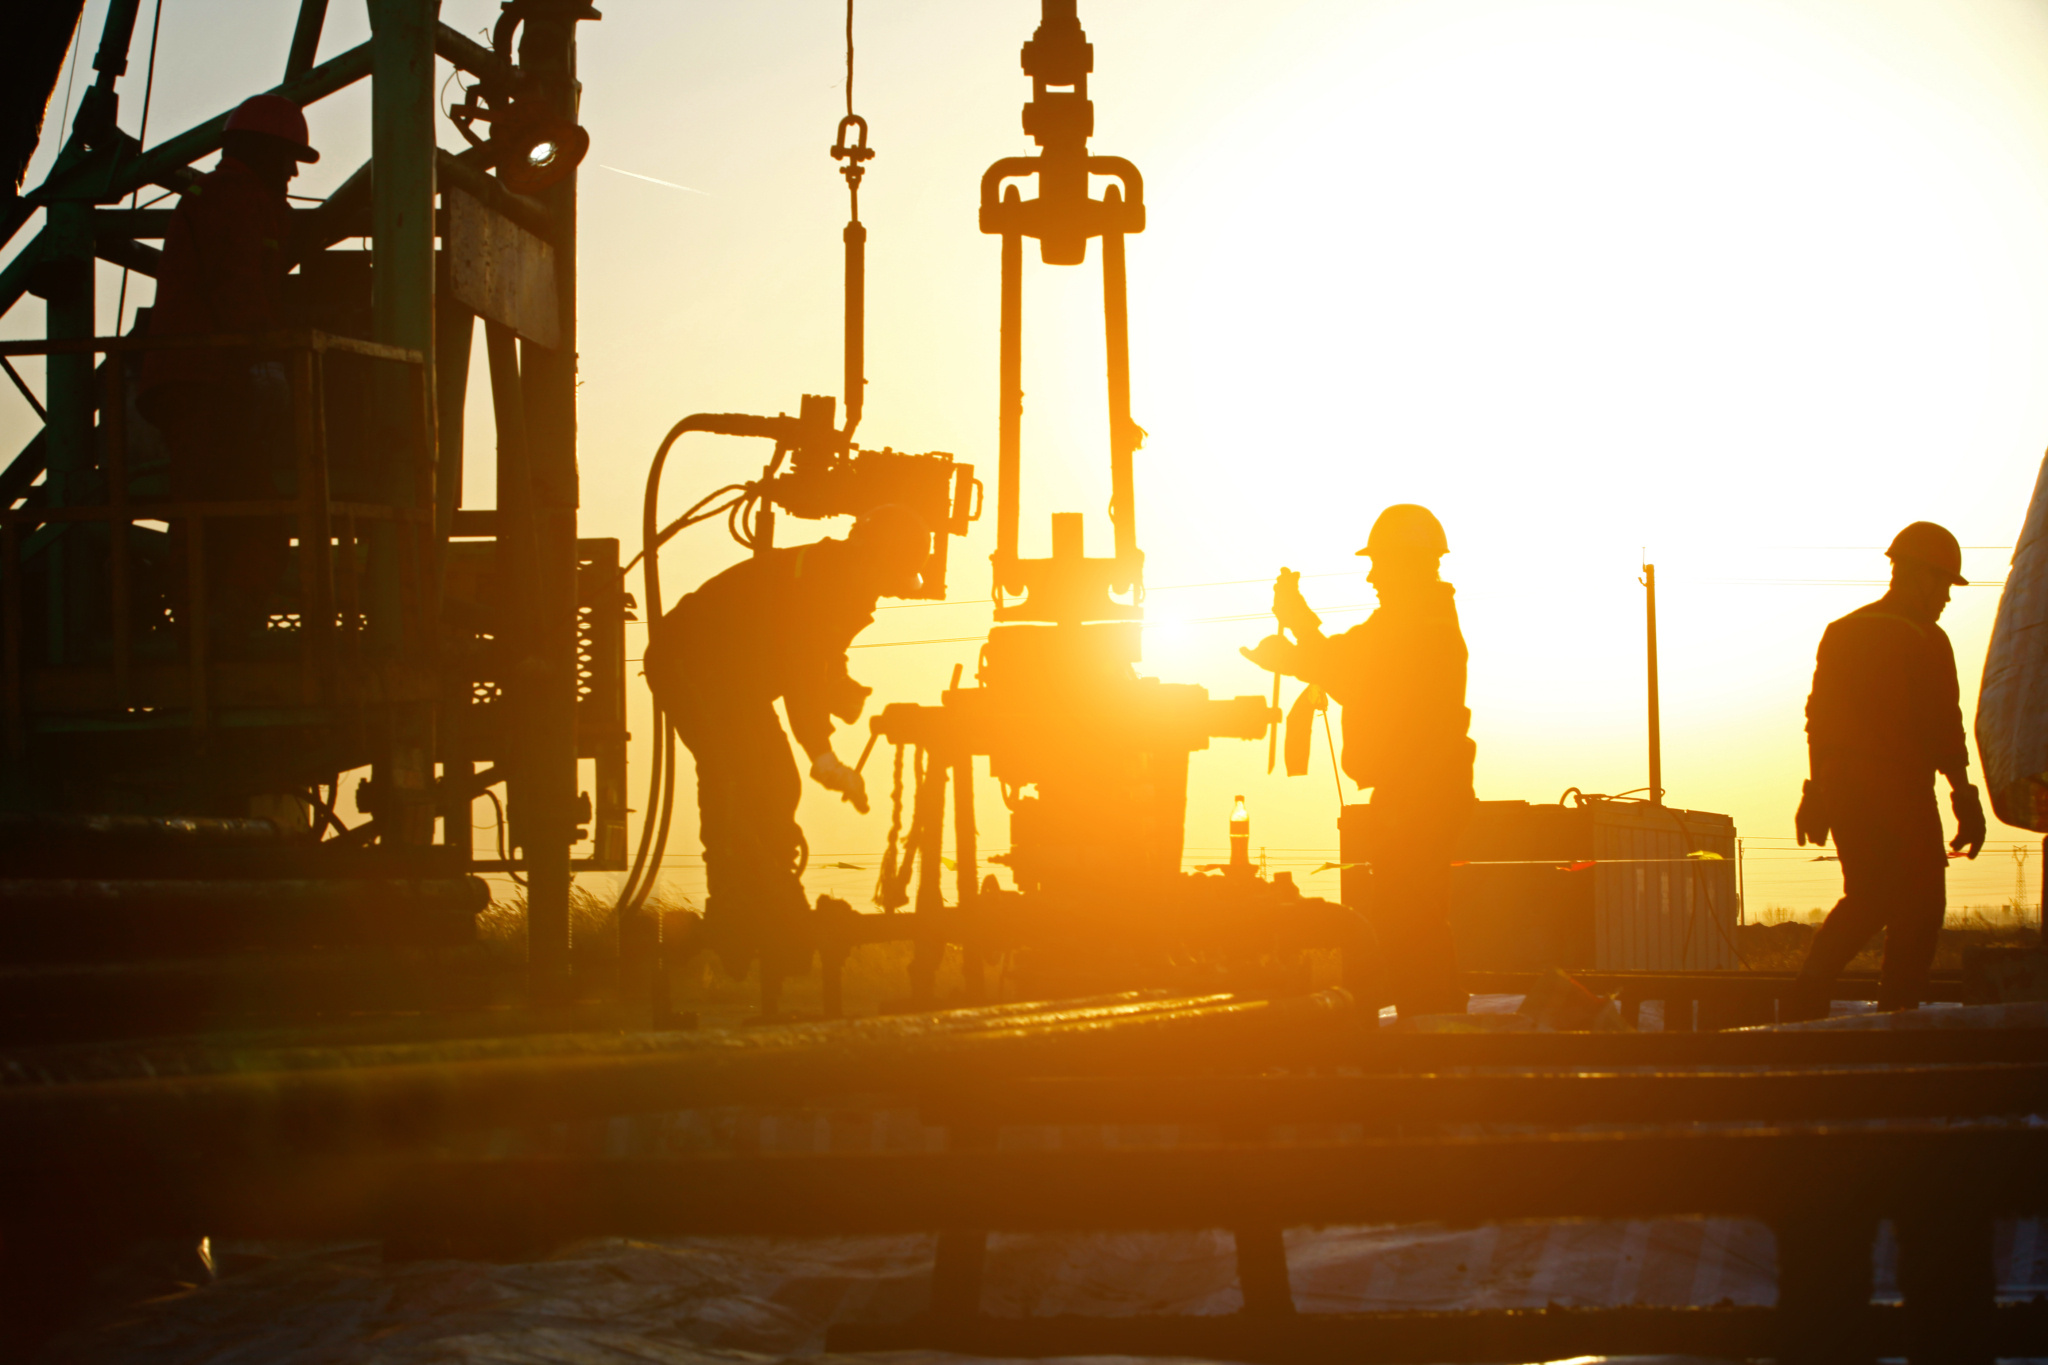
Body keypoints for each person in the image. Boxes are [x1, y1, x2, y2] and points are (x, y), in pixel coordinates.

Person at [642, 505, 931, 975]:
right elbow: (800, 670)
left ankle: (760, 904)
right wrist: (822, 755)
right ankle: (742, 912)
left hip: (733, 678)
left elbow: (817, 657)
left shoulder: (837, 577)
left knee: (772, 782)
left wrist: (841, 687)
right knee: (733, 777)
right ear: (876, 558)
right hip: (692, 663)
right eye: (892, 575)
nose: (886, 591)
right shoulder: (828, 581)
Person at [1241, 504, 1476, 1017]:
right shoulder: (1417, 619)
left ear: (1407, 564)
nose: (1371, 576)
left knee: (1408, 916)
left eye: (1379, 564)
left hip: (1420, 791)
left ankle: (1432, 1025)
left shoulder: (1419, 625)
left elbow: (1347, 665)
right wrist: (1299, 627)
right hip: (1423, 789)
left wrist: (1293, 640)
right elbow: (1348, 661)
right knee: (1411, 914)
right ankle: (1433, 1018)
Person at [1787, 521, 1987, 1018]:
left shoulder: (1843, 631)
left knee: (1869, 897)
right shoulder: (1926, 638)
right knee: (1921, 905)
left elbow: (1819, 720)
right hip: (1898, 788)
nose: (1946, 597)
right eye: (1942, 584)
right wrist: (1965, 797)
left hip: (1844, 788)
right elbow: (1946, 728)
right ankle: (1899, 1012)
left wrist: (1817, 793)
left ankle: (1807, 996)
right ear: (1915, 575)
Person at [139, 94, 317, 648]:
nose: (291, 173)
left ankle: (206, 623)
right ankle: (220, 631)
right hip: (204, 378)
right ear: (260, 152)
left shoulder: (223, 198)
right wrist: (264, 358)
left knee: (210, 509)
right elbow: (239, 284)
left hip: (195, 377)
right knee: (247, 512)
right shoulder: (236, 200)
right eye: (287, 158)